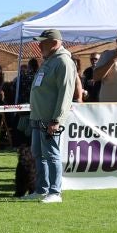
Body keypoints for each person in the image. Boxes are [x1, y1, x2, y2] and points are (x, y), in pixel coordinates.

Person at [27, 29, 76, 203]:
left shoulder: (63, 62)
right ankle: (41, 189)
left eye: (43, 42)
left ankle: (55, 192)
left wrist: (57, 119)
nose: (39, 45)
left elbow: (65, 93)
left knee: (52, 155)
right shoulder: (49, 61)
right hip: (38, 117)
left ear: (54, 43)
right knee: (38, 155)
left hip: (50, 119)